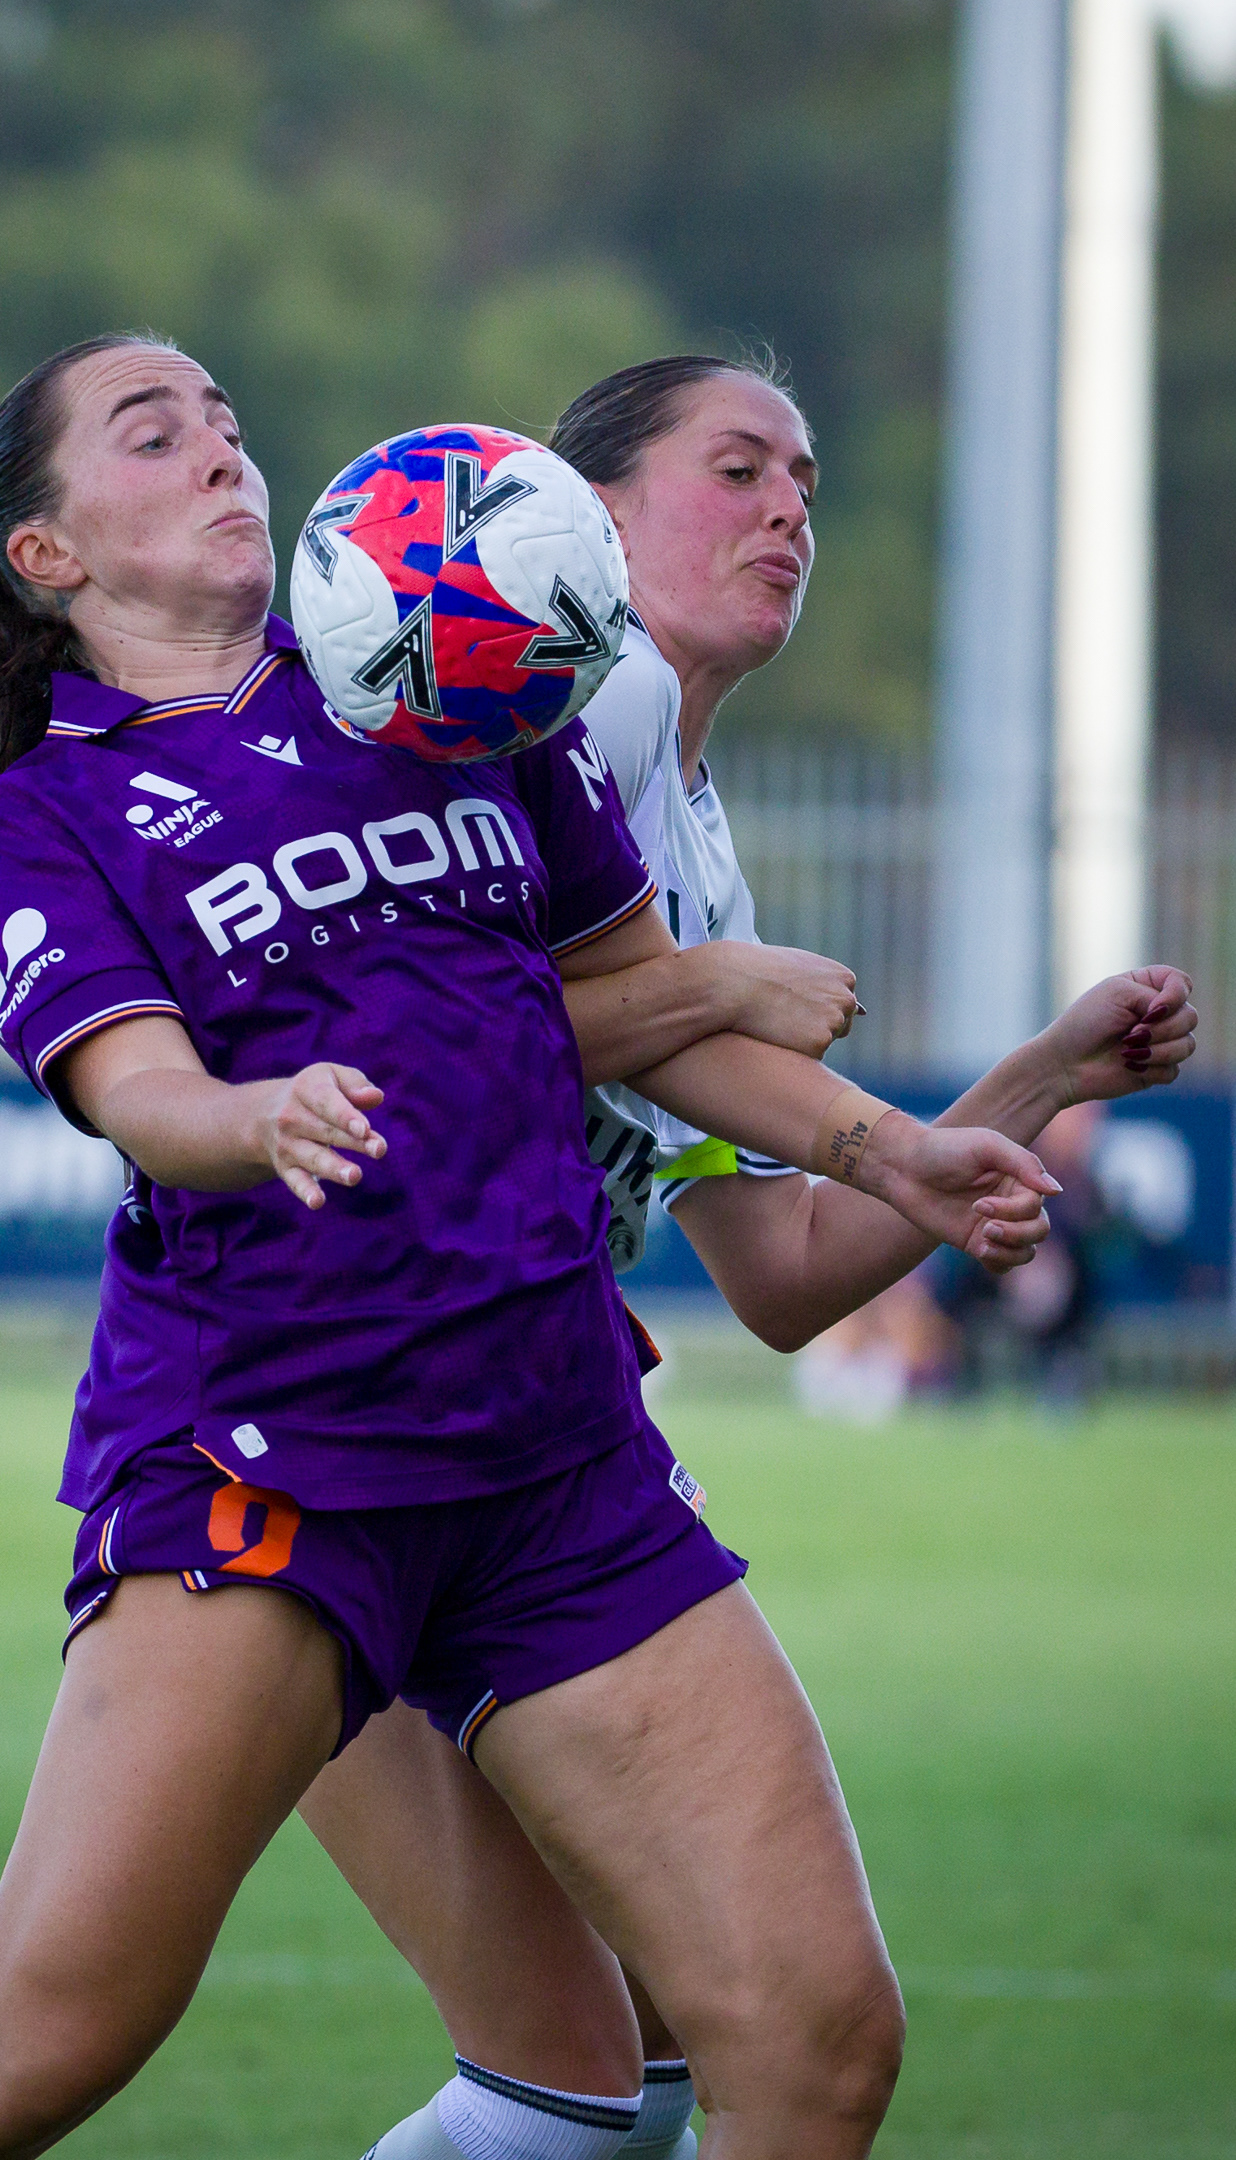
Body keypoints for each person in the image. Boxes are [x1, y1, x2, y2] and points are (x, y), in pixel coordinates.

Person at [0, 331, 1067, 2160]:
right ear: (47, 552)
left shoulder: (445, 697)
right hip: (273, 1468)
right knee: (42, 2048)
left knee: (819, 2040)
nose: (221, 452)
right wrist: (254, 1118)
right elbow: (143, 1092)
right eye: (154, 436)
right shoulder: (26, 822)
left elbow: (646, 1017)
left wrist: (896, 1150)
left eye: (228, 421)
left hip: (562, 1459)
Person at [291, 356, 1198, 2160]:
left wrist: (1031, 1083)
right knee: (688, 2064)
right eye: (739, 469)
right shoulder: (590, 698)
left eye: (805, 482)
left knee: (628, 2078)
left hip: (510, 1424)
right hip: (358, 1421)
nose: (790, 510)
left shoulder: (684, 832)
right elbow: (404, 1041)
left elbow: (781, 1269)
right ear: (588, 515)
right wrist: (713, 994)